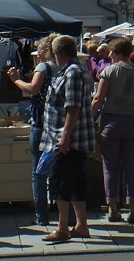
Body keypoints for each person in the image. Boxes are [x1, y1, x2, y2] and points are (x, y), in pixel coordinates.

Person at [40, 35, 96, 243]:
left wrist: (65, 135)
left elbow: (72, 106)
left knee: (59, 181)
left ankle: (62, 227)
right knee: (76, 180)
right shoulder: (74, 69)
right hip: (74, 138)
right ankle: (81, 225)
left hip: (67, 139)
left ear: (58, 53)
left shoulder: (72, 72)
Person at [92, 37, 134, 225]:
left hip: (112, 122)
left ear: (117, 53)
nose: (109, 55)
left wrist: (88, 117)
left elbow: (99, 98)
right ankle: (133, 207)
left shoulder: (109, 71)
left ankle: (112, 207)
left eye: (111, 52)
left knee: (110, 165)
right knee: (132, 167)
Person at [7, 34, 56, 225]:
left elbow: (33, 89)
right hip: (58, 122)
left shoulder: (43, 67)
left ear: (44, 51)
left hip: (41, 122)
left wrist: (16, 80)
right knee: (58, 171)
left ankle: (42, 216)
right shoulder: (64, 67)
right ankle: (65, 214)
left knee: (39, 172)